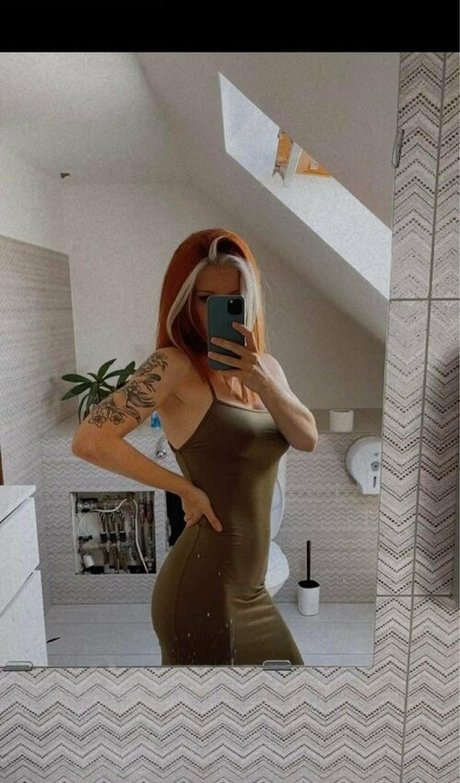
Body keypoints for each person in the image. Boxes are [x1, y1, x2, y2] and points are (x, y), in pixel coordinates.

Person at [71, 229, 318, 666]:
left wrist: (263, 382)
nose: (217, 310)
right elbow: (90, 439)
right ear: (185, 301)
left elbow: (307, 438)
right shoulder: (173, 366)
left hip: (251, 589)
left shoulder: (268, 369)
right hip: (204, 588)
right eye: (206, 299)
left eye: (233, 298)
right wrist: (183, 488)